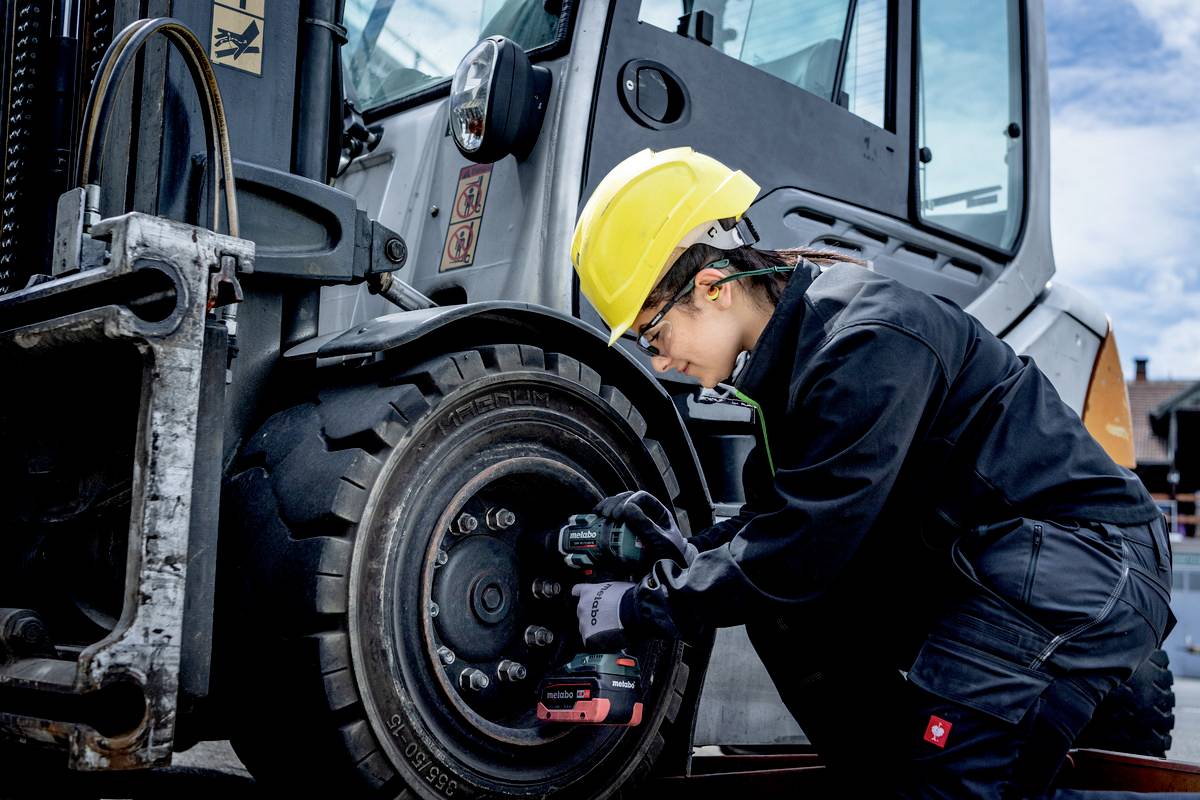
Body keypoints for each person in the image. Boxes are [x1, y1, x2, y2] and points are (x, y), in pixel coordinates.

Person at [567, 147, 1174, 798]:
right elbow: (775, 533)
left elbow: (799, 549)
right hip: (988, 567)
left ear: (712, 287)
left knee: (952, 778)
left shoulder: (864, 339)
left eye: (654, 334)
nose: (659, 362)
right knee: (787, 620)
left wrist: (643, 606)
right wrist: (681, 550)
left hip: (1078, 562)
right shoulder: (790, 371)